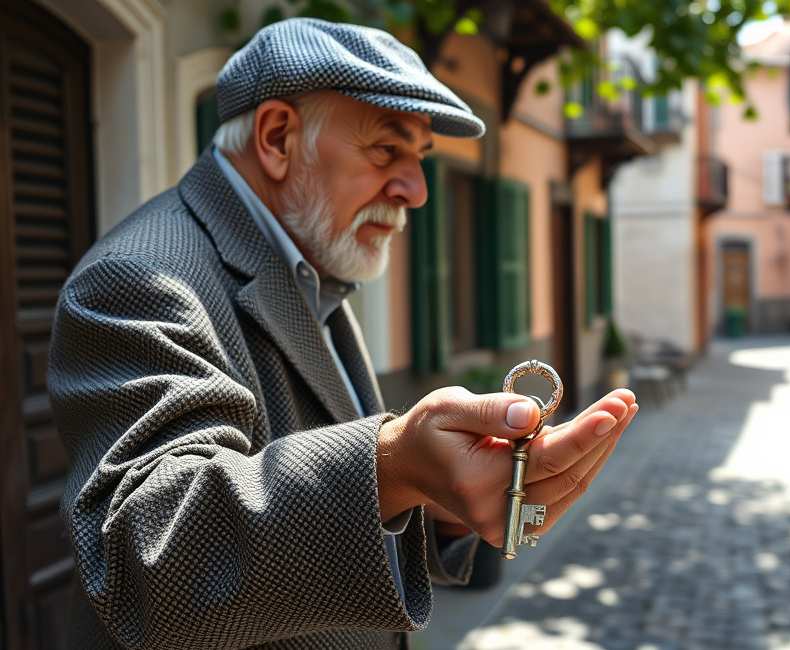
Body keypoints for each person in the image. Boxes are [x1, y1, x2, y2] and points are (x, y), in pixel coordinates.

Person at [48, 17, 637, 650]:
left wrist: (437, 500)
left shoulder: (308, 263)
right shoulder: (138, 277)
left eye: (419, 158)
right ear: (278, 137)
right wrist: (395, 464)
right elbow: (152, 562)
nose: (414, 192)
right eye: (386, 151)